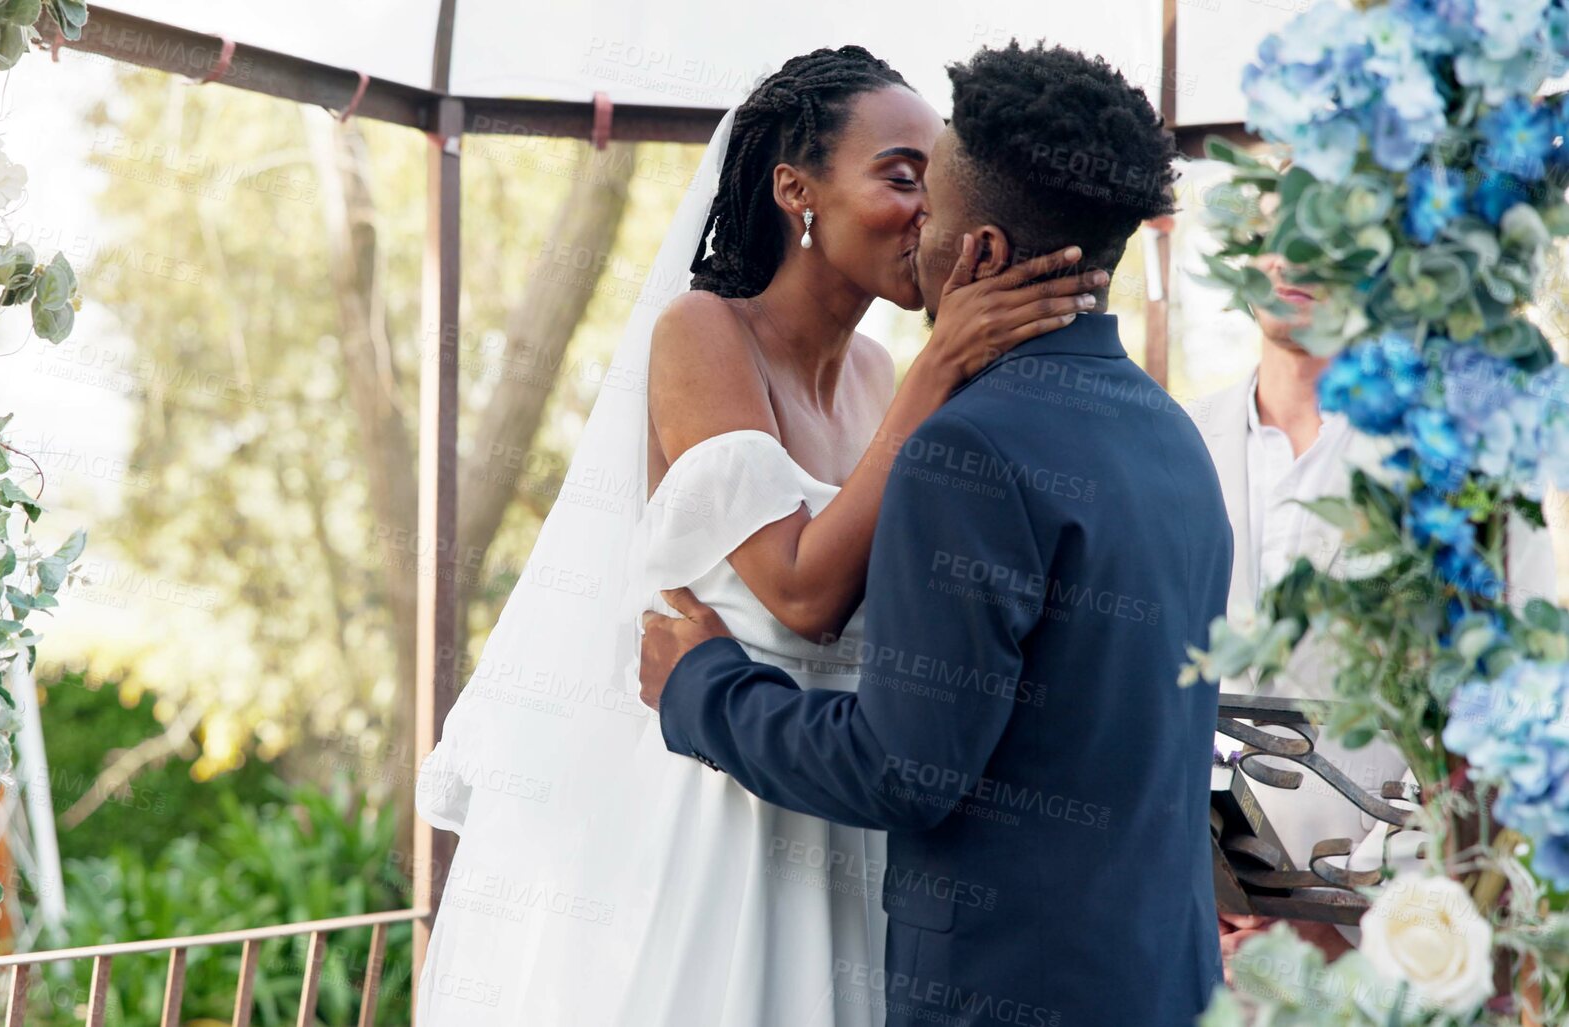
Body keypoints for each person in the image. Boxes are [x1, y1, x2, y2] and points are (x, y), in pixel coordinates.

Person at [415, 45, 1097, 1027]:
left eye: (937, 184)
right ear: (796, 191)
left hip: (846, 814)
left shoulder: (881, 373)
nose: (926, 212)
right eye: (900, 177)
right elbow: (803, 593)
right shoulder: (704, 335)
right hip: (716, 823)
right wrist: (942, 363)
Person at [639, 42, 1226, 1027]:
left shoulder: (970, 451)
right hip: (1158, 981)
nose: (918, 223)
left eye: (932, 191)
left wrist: (700, 684)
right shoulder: (1175, 437)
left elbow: (903, 765)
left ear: (983, 252)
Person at [1186, 246, 1561, 967]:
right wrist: (1189, 888)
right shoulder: (1171, 436)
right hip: (1188, 938)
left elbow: (1508, 723)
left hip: (1379, 948)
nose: (1290, 255)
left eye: (1315, 220)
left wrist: (1352, 921)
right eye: (1270, 227)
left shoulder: (1458, 467)